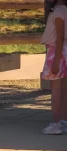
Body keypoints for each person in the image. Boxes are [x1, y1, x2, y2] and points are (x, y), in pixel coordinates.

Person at [41, 0, 67, 134]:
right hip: (63, 51)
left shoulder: (58, 12)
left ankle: (56, 123)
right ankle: (63, 121)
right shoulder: (63, 10)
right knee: (63, 90)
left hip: (56, 52)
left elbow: (60, 37)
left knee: (56, 92)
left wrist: (56, 61)